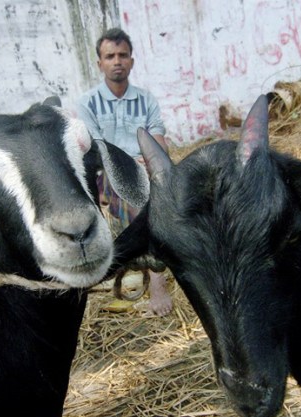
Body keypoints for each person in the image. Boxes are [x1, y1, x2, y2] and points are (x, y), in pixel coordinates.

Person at [76, 28, 173, 317]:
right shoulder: (88, 103)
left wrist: (154, 163)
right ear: (100, 63)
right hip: (107, 173)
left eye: (122, 55)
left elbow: (158, 141)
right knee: (131, 192)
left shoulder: (146, 100)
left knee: (171, 183)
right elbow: (96, 150)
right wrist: (130, 166)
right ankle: (157, 281)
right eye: (110, 56)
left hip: (145, 165)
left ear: (131, 60)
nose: (117, 61)